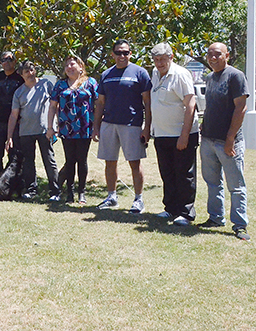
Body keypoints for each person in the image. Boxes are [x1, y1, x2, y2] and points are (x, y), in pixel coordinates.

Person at [93, 39, 152, 213]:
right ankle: (112, 197)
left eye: (125, 52)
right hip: (109, 124)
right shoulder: (106, 75)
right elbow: (100, 103)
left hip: (131, 125)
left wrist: (147, 127)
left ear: (130, 54)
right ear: (112, 55)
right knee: (109, 162)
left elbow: (147, 103)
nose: (122, 56)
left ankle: (138, 200)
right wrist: (96, 126)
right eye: (118, 52)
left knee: (134, 162)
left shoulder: (140, 73)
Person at [198, 42, 249, 240]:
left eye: (217, 54)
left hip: (228, 142)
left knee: (236, 186)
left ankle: (240, 225)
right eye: (210, 54)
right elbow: (212, 105)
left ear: (227, 55)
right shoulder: (210, 77)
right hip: (209, 139)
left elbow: (241, 108)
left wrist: (230, 138)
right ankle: (216, 217)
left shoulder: (236, 76)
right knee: (212, 183)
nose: (213, 58)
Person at [149, 43, 199, 226]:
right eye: (156, 59)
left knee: (184, 174)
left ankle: (186, 213)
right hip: (162, 134)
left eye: (163, 59)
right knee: (167, 174)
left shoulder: (180, 74)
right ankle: (170, 209)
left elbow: (191, 105)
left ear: (171, 57)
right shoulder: (155, 74)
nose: (159, 63)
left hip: (181, 134)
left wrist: (184, 135)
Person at [6, 60, 61, 201]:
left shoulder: (46, 84)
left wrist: (57, 125)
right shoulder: (19, 92)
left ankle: (55, 191)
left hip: (45, 130)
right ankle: (31, 190)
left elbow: (56, 105)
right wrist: (9, 136)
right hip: (25, 132)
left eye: (32, 70)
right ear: (21, 75)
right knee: (28, 162)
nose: (30, 73)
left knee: (49, 160)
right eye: (26, 71)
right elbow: (13, 115)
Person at [47, 56, 98, 205]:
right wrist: (50, 127)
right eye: (67, 65)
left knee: (82, 160)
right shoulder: (60, 85)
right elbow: (52, 106)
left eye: (72, 64)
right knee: (70, 161)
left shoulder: (90, 83)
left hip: (85, 128)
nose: (69, 67)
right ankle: (70, 192)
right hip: (66, 128)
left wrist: (97, 126)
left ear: (80, 67)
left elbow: (99, 104)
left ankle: (82, 192)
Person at [0, 51, 24, 186]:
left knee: (14, 155)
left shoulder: (20, 78)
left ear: (14, 62)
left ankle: (13, 184)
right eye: (4, 59)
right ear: (1, 62)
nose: (6, 62)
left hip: (15, 123)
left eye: (10, 59)